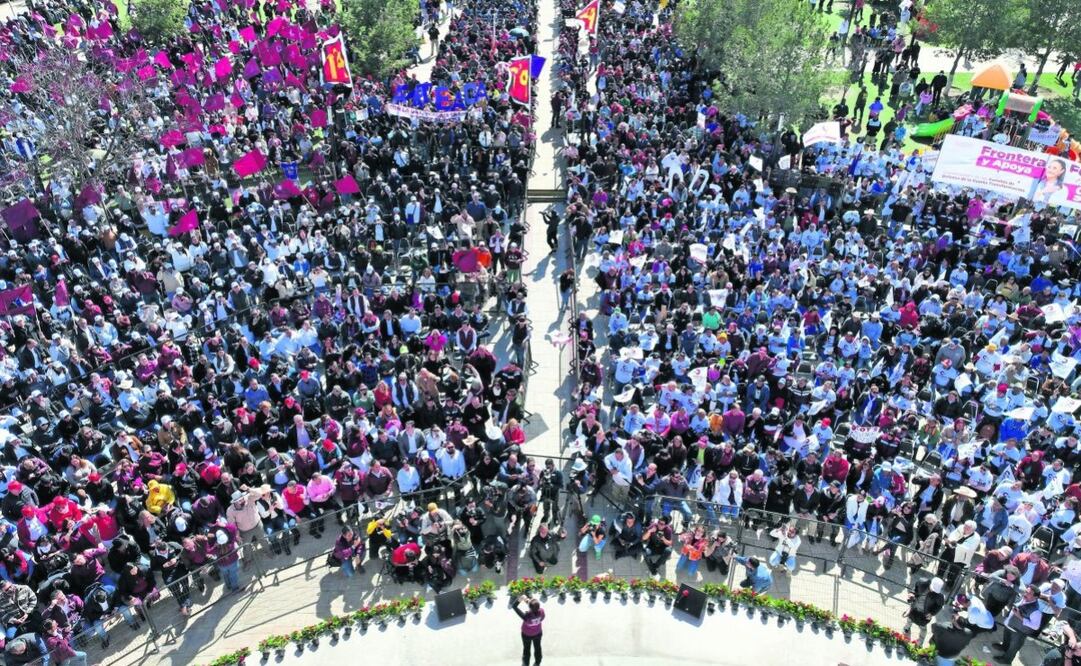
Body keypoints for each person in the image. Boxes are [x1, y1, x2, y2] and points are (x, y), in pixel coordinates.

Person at [903, 577, 946, 642]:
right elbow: (915, 588)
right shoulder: (922, 582)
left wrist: (932, 613)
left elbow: (939, 606)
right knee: (909, 620)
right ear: (930, 583)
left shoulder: (939, 596)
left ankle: (920, 642)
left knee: (923, 629)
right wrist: (912, 593)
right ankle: (906, 628)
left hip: (924, 614)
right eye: (933, 588)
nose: (933, 591)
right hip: (914, 608)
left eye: (935, 590)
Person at [513, 596, 545, 666]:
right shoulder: (542, 611)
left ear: (529, 607)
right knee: (538, 647)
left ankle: (526, 663)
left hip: (526, 635)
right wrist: (527, 601)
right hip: (538, 633)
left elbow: (514, 606)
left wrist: (521, 598)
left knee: (527, 649)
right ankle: (537, 662)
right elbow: (535, 607)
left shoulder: (526, 616)